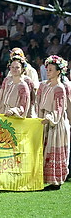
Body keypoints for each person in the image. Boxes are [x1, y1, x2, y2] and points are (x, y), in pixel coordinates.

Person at [37, 55, 70, 190]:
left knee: (54, 149)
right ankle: (46, 178)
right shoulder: (44, 85)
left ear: (58, 71)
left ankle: (56, 181)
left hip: (56, 123)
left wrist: (50, 118)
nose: (48, 71)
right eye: (47, 69)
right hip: (45, 120)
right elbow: (38, 102)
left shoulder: (60, 88)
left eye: (51, 69)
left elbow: (59, 108)